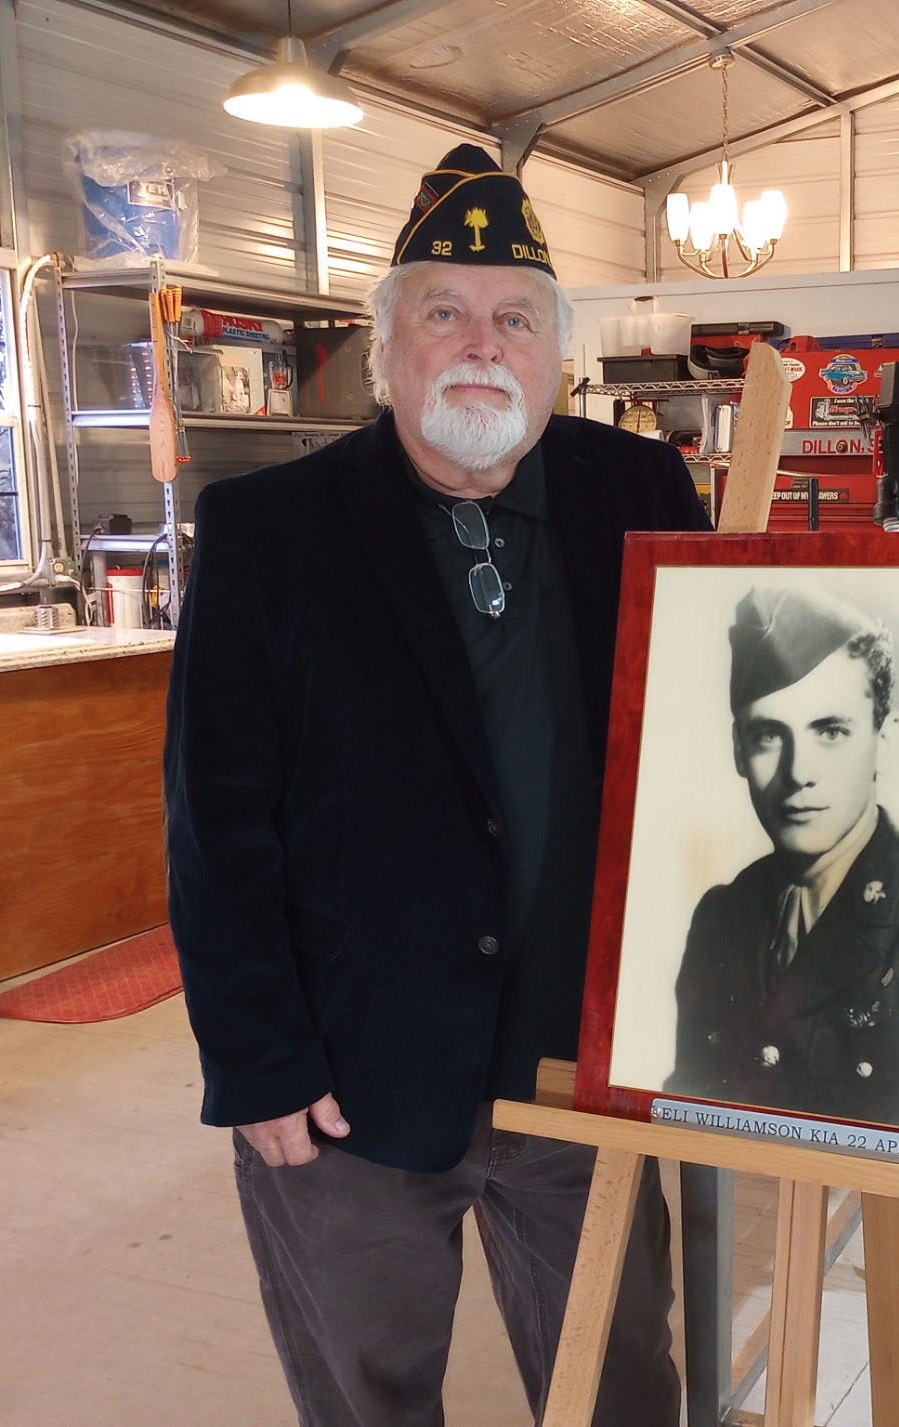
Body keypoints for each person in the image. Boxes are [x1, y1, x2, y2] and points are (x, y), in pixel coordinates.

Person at [164, 145, 709, 1427]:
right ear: (386, 347)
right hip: (351, 1080)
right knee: (368, 1398)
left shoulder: (638, 493)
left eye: (514, 317)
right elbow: (214, 818)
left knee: (622, 1391)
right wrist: (255, 1057)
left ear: (555, 353)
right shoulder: (267, 532)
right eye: (442, 313)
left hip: (585, 1069)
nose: (481, 344)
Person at [665, 585, 899, 1140]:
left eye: (830, 731)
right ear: (739, 749)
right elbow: (690, 1107)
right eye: (768, 735)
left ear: (885, 741)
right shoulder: (722, 918)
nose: (798, 773)